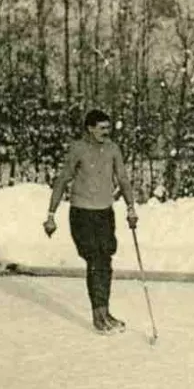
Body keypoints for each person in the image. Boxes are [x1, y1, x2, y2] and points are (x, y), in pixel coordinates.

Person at [44, 109, 139, 335]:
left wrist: (131, 207)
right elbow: (62, 180)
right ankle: (97, 315)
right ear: (90, 128)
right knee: (95, 260)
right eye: (102, 128)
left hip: (104, 213)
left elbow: (123, 179)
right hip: (82, 214)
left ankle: (105, 312)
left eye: (108, 127)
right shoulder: (78, 149)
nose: (107, 132)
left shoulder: (113, 149)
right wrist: (50, 214)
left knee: (105, 261)